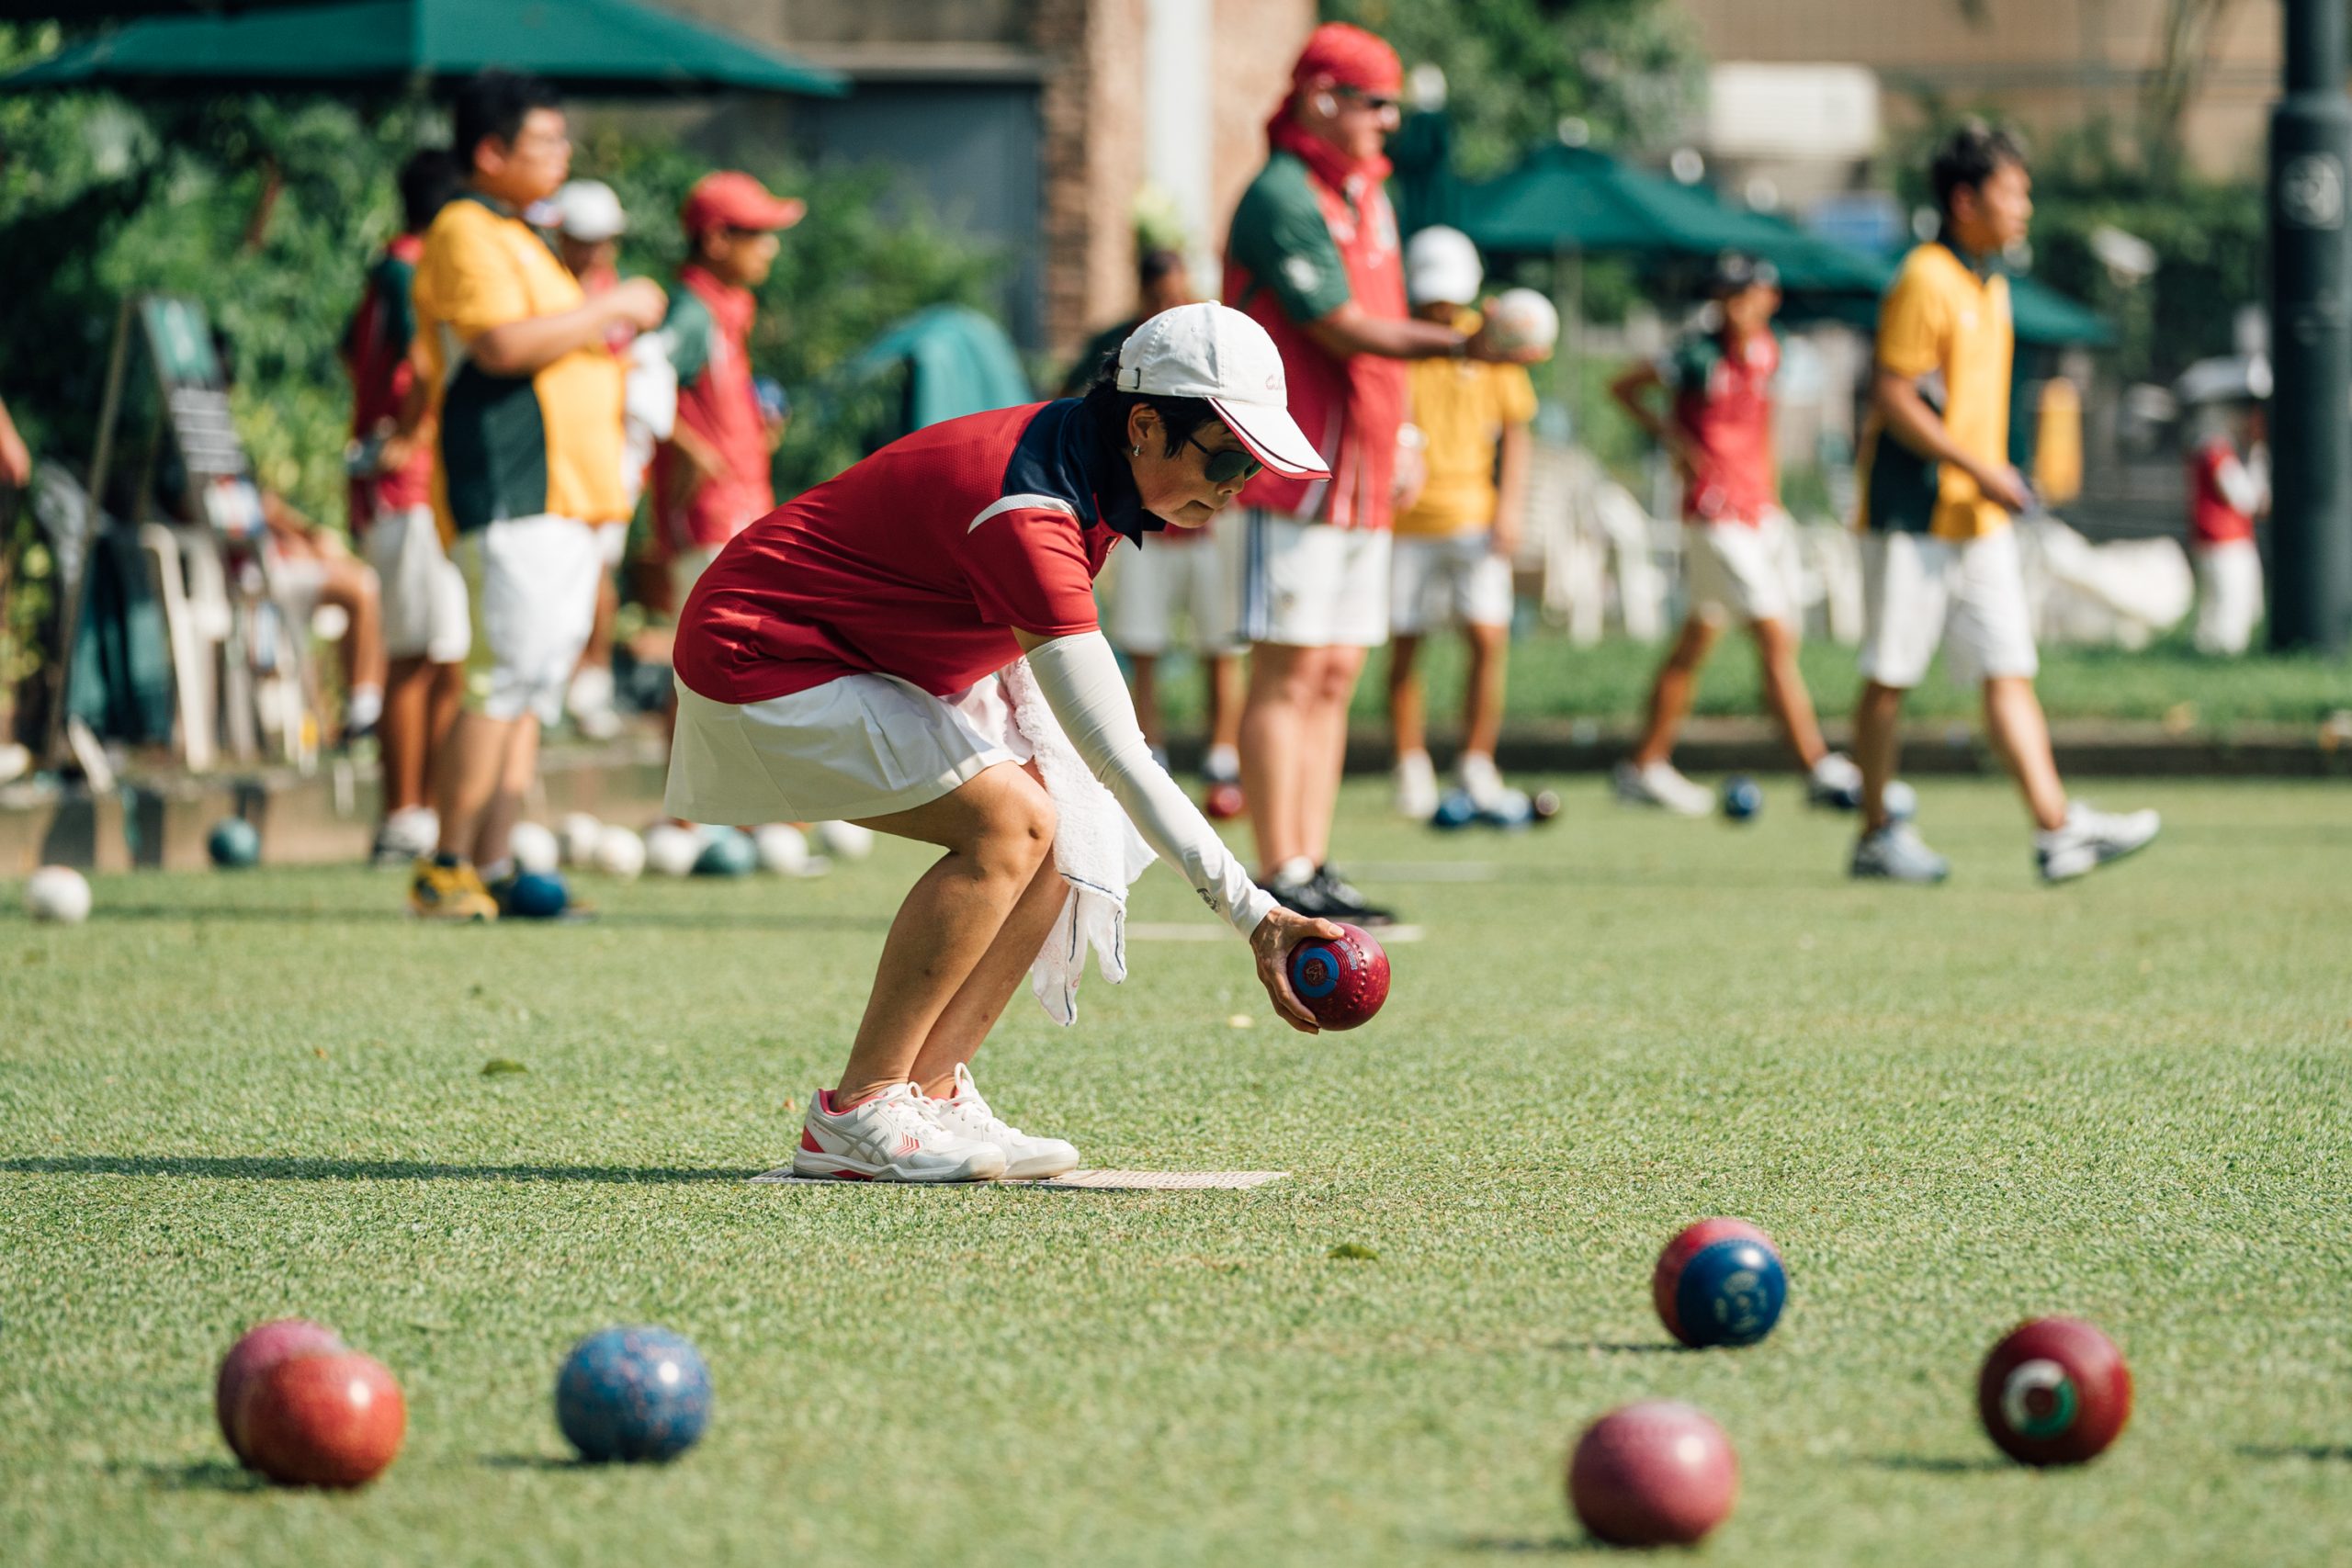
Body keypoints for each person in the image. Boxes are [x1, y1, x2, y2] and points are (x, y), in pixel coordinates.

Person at [665, 303, 1341, 1183]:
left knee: (1061, 828)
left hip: (851, 660)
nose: (1236, 482)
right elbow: (1121, 752)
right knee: (1013, 823)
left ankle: (932, 1094)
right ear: (1143, 424)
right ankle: (860, 1108)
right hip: (759, 654)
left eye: (1252, 464)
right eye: (1225, 456)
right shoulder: (1034, 510)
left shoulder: (1089, 461)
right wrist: (1259, 914)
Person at [1221, 22, 1529, 920]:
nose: (1389, 121)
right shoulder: (1282, 194)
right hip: (1290, 465)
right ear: (1321, 98)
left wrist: (1403, 437)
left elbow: (1381, 320)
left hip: (1360, 466)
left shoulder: (1367, 194)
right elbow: (1340, 325)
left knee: (1335, 669)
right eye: (1374, 101)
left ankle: (1312, 859)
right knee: (1289, 665)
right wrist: (1467, 341)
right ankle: (1279, 866)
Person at [1849, 123, 2157, 884]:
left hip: (1978, 520)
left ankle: (2056, 830)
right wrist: (1976, 466)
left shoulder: (1992, 285)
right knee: (1890, 679)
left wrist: (2000, 475)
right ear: (1964, 199)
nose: (2025, 206)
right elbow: (1892, 395)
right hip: (1913, 515)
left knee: (2008, 669)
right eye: (2012, 192)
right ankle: (1875, 832)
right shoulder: (1925, 276)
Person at [408, 71, 666, 919]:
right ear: (489, 152)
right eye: (545, 141)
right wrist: (615, 304)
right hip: (510, 486)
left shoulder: (518, 234)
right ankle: (444, 864)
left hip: (560, 496)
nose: (561, 155)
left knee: (529, 684)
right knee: (501, 677)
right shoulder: (463, 227)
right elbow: (501, 345)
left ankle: (492, 860)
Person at [1606, 254, 1861, 816]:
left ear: (1768, 298)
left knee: (1695, 642)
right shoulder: (1693, 354)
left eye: (1745, 293)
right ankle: (1817, 766)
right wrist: (1671, 437)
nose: (1735, 304)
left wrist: (1767, 493)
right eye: (1726, 294)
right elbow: (1622, 387)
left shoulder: (1772, 350)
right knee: (1773, 635)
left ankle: (1643, 765)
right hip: (1714, 514)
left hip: (1758, 513)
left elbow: (1757, 426)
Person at [1067, 249, 1247, 800]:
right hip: (1144, 522)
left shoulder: (1209, 347)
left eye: (1178, 289)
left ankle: (1223, 756)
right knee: (1144, 642)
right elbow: (1076, 403)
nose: (1170, 301)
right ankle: (1153, 751)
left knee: (1221, 642)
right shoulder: (1117, 346)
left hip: (1209, 525)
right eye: (1160, 292)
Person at [345, 148, 469, 864]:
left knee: (441, 655)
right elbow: (423, 362)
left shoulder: (390, 267)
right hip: (410, 485)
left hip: (422, 488)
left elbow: (351, 353)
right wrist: (412, 428)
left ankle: (423, 807)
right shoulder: (411, 266)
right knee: (415, 656)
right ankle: (401, 815)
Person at [1385, 226, 1535, 819]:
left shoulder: (1489, 338)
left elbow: (1517, 426)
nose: (1441, 307)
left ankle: (1476, 761)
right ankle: (1410, 763)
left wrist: (1511, 504)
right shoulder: (1396, 337)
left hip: (1474, 515)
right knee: (1406, 645)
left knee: (1488, 638)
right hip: (1406, 523)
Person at [547, 177, 673, 741]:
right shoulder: (544, 290)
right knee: (554, 574)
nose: (595, 250)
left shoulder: (618, 296)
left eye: (603, 239)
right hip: (549, 458)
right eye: (584, 238)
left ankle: (588, 682)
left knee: (596, 570)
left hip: (604, 460)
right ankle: (552, 683)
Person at [650, 171, 801, 606]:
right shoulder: (692, 313)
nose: (770, 246)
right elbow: (633, 383)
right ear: (716, 239)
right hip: (708, 514)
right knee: (719, 653)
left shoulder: (726, 308)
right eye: (757, 234)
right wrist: (693, 451)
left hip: (742, 506)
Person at [2187, 399, 2267, 655]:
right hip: (2225, 539)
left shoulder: (2210, 451)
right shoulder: (2217, 452)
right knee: (2230, 602)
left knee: (2215, 603)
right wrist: (2258, 457)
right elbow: (2244, 498)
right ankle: (2224, 653)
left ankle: (2209, 650)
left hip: (2215, 538)